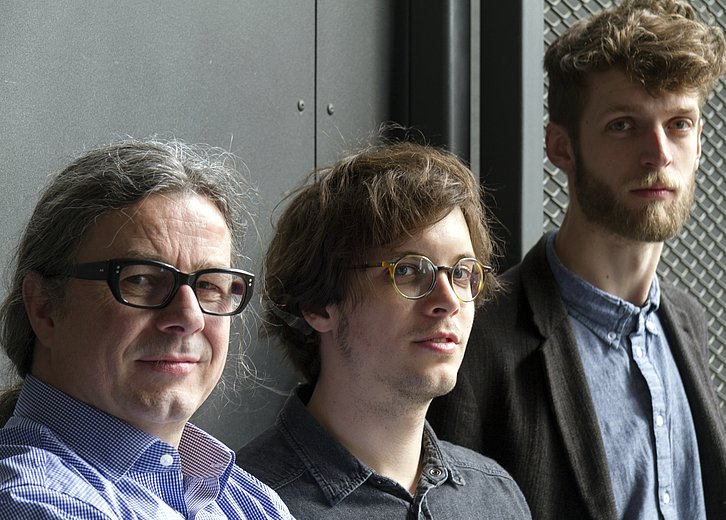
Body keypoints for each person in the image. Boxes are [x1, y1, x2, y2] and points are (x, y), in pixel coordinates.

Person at [428, 1, 726, 519]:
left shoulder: (685, 320)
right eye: (623, 125)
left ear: (699, 142)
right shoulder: (479, 337)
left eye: (679, 123)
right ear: (561, 147)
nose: (658, 153)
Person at [236, 140, 531, 519]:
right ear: (317, 304)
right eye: (407, 270)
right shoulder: (243, 505)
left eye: (462, 273)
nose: (449, 300)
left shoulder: (496, 498)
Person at [0, 139, 293, 519]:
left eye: (209, 285)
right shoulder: (34, 501)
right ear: (44, 308)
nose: (190, 317)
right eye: (140, 279)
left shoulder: (250, 500)